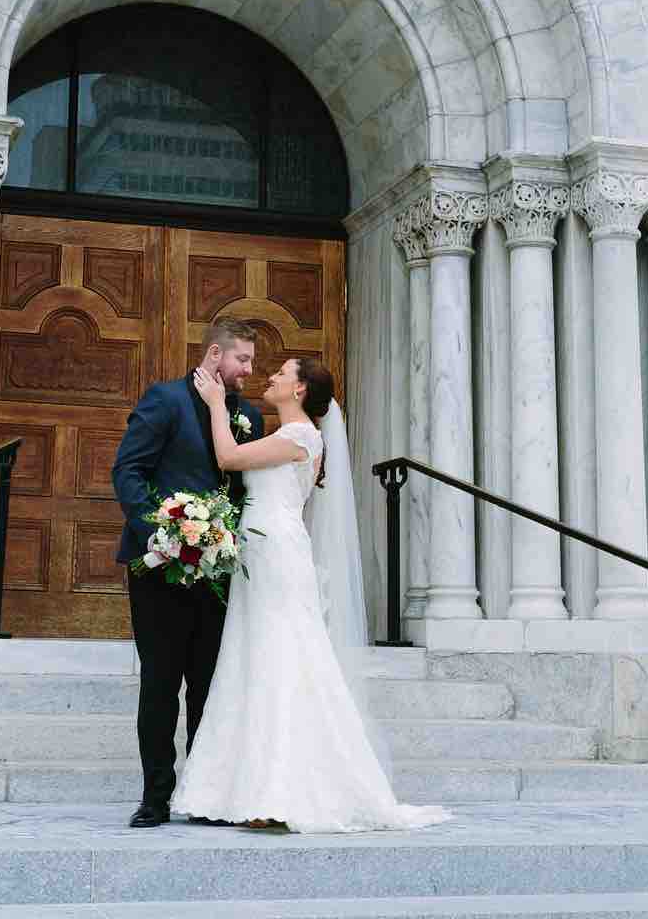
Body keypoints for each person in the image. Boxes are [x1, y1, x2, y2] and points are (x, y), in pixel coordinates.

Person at [171, 356, 450, 834]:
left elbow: (229, 459)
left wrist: (216, 403)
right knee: (256, 657)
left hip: (276, 553)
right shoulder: (288, 436)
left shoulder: (300, 437)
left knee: (280, 657)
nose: (273, 377)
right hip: (260, 552)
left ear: (299, 391)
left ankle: (282, 790)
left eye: (282, 373)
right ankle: (250, 789)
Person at [112, 320, 264, 829]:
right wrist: (160, 530)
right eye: (243, 360)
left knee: (207, 684)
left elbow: (247, 491)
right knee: (160, 682)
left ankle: (203, 793)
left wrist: (231, 537)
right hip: (159, 567)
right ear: (215, 354)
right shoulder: (165, 400)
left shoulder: (248, 416)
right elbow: (128, 471)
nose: (249, 370)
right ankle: (156, 795)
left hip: (218, 572)